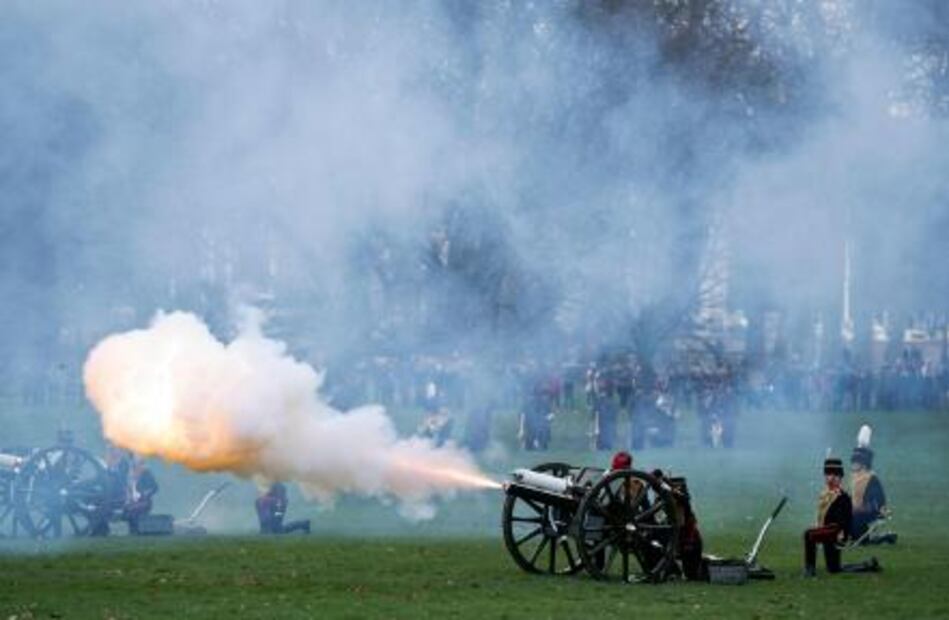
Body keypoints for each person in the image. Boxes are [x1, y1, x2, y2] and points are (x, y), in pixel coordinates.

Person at [803, 458, 880, 577]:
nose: (831, 478)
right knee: (834, 569)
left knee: (809, 534)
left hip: (836, 533)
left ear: (840, 478)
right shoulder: (825, 494)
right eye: (828, 474)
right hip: (827, 531)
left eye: (835, 475)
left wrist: (837, 534)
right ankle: (867, 565)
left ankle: (810, 570)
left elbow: (843, 522)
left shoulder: (843, 497)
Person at [850, 430, 895, 544]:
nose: (853, 465)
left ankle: (882, 538)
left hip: (869, 512)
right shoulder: (855, 476)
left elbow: (877, 502)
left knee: (859, 540)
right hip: (856, 511)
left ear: (863, 464)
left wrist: (859, 509)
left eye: (855, 462)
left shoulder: (871, 478)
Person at [123, 456, 159, 535]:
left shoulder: (146, 473)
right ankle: (134, 532)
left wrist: (145, 494)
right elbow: (127, 488)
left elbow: (155, 487)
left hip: (144, 502)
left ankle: (137, 532)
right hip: (131, 502)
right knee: (127, 511)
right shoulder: (129, 474)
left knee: (132, 512)